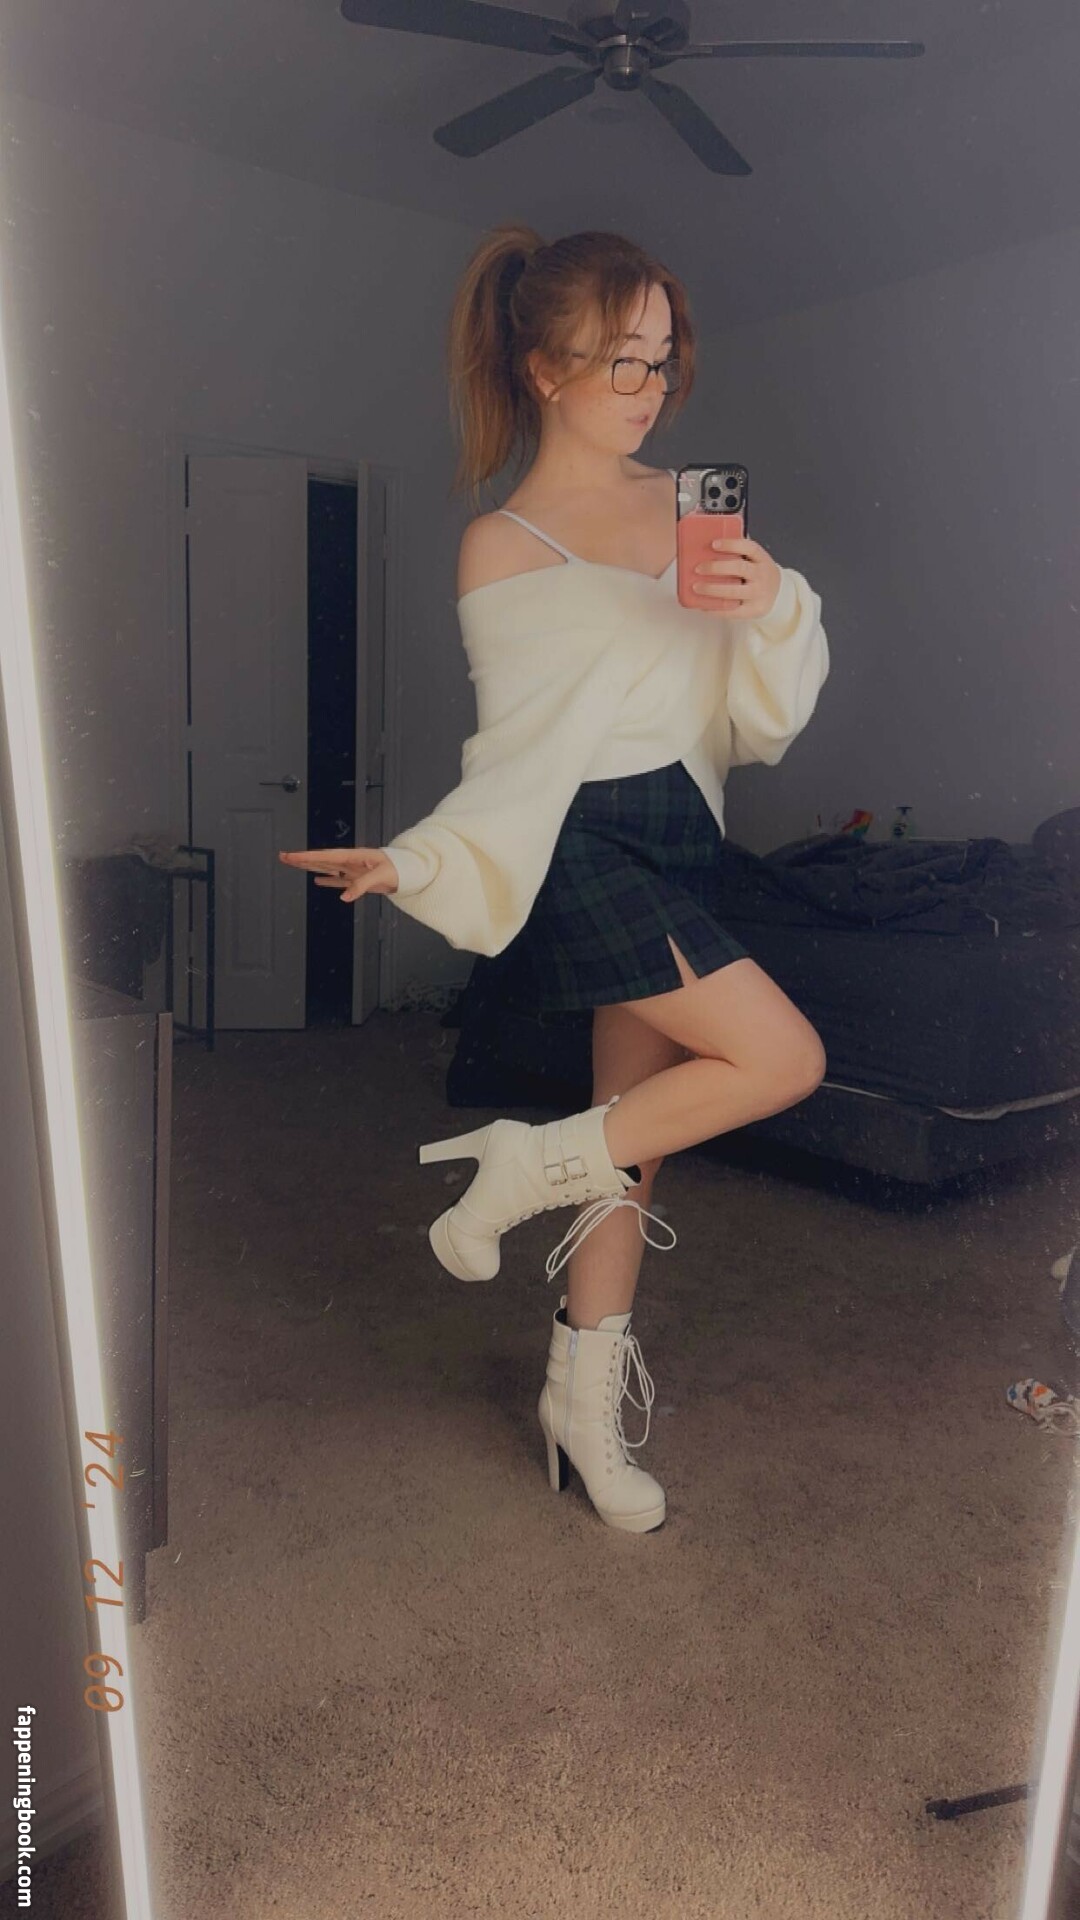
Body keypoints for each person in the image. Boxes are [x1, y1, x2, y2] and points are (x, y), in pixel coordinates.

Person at [280, 224, 830, 1535]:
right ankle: (519, 1164)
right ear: (542, 369)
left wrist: (773, 606)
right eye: (618, 359)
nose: (649, 387)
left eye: (662, 358)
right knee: (782, 1058)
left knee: (631, 1154)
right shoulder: (503, 543)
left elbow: (757, 723)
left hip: (683, 830)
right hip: (584, 838)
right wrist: (416, 858)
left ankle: (578, 1410)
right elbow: (520, 757)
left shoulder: (692, 500)